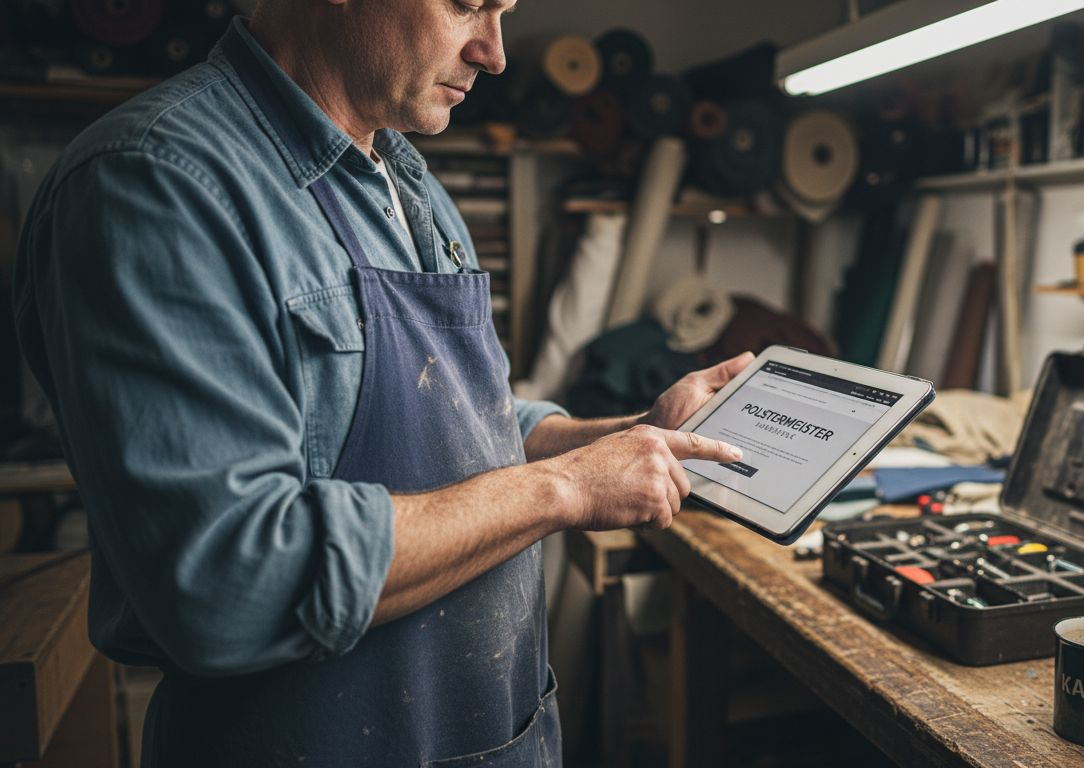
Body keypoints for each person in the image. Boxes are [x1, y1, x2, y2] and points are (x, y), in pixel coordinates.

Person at [13, 1, 750, 765]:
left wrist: (633, 437)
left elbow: (468, 421)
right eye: (468, 5)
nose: (494, 53)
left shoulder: (404, 176)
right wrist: (565, 489)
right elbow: (227, 577)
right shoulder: (155, 183)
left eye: (504, 11)